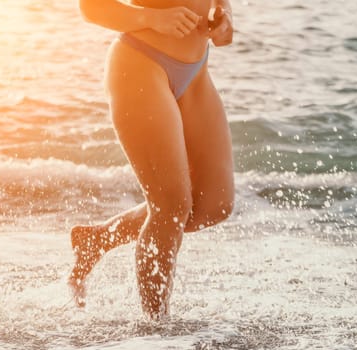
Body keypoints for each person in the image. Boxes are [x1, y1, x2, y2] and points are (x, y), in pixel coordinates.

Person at [69, 0, 235, 319]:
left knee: (215, 204)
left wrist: (224, 16)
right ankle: (157, 329)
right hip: (141, 63)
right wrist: (152, 18)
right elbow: (90, 7)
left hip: (197, 69)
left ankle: (98, 238)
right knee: (170, 207)